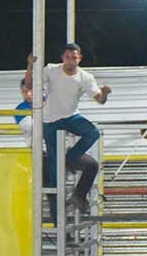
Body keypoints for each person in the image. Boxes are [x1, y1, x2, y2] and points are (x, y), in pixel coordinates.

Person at [17, 55, 99, 215]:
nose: (28, 94)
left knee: (91, 165)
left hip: (64, 150)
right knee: (54, 191)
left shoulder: (53, 102)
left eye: (31, 90)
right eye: (25, 91)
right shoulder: (21, 109)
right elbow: (31, 126)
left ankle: (79, 196)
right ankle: (63, 233)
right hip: (44, 155)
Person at [40, 43, 111, 214]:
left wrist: (105, 94)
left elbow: (99, 99)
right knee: (53, 171)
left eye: (74, 58)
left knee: (92, 132)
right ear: (62, 58)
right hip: (51, 119)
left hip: (71, 116)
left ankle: (69, 160)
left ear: (80, 58)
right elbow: (31, 83)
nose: (71, 61)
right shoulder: (51, 70)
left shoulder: (85, 77)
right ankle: (58, 211)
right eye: (67, 57)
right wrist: (30, 66)